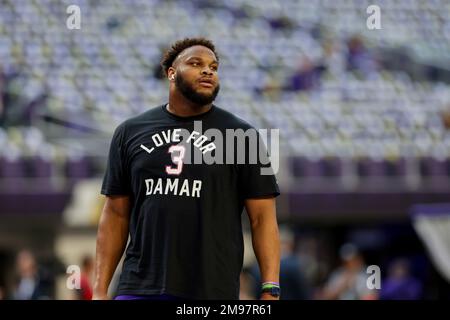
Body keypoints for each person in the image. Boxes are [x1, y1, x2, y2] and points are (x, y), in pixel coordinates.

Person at [93, 38, 281, 300]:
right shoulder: (129, 132)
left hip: (210, 290)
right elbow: (115, 215)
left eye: (213, 67)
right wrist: (100, 291)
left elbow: (263, 220)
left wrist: (270, 288)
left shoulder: (244, 135)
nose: (208, 71)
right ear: (171, 73)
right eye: (196, 63)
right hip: (139, 286)